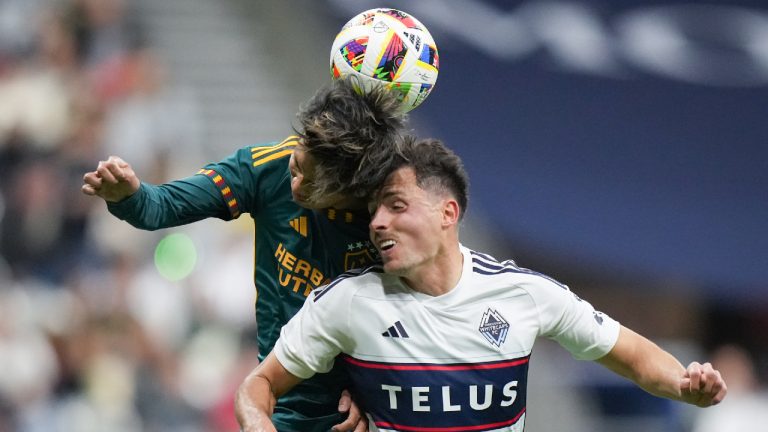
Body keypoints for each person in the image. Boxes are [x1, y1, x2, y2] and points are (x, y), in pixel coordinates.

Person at [234, 136, 728, 432]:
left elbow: (637, 358)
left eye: (396, 206)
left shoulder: (525, 295)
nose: (378, 223)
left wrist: (684, 386)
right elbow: (260, 385)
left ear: (448, 213)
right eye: (374, 211)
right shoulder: (346, 302)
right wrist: (258, 421)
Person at [81, 78, 408, 431]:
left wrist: (372, 390)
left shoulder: (392, 212)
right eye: (297, 166)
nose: (295, 184)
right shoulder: (266, 167)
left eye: (312, 185)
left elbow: (417, 307)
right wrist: (128, 197)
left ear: (352, 190)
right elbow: (161, 206)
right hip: (278, 397)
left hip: (369, 409)